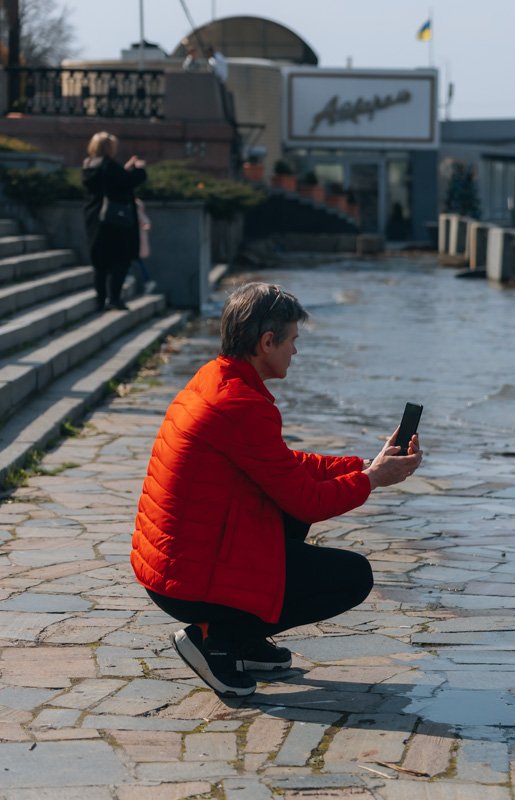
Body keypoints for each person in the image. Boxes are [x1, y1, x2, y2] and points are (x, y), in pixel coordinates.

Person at [130, 282, 423, 697]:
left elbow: (283, 465)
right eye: (292, 341)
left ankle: (243, 639)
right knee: (353, 576)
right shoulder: (241, 406)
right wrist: (373, 479)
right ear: (267, 342)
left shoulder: (216, 378)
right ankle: (218, 641)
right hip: (184, 581)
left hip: (171, 564)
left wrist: (362, 465)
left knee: (287, 512)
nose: (295, 352)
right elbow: (307, 501)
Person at [81, 132, 146, 312]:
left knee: (100, 263)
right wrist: (138, 169)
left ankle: (100, 300)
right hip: (115, 221)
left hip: (94, 219)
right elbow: (127, 181)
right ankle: (115, 298)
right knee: (120, 259)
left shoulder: (88, 165)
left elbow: (114, 181)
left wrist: (125, 169)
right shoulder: (109, 166)